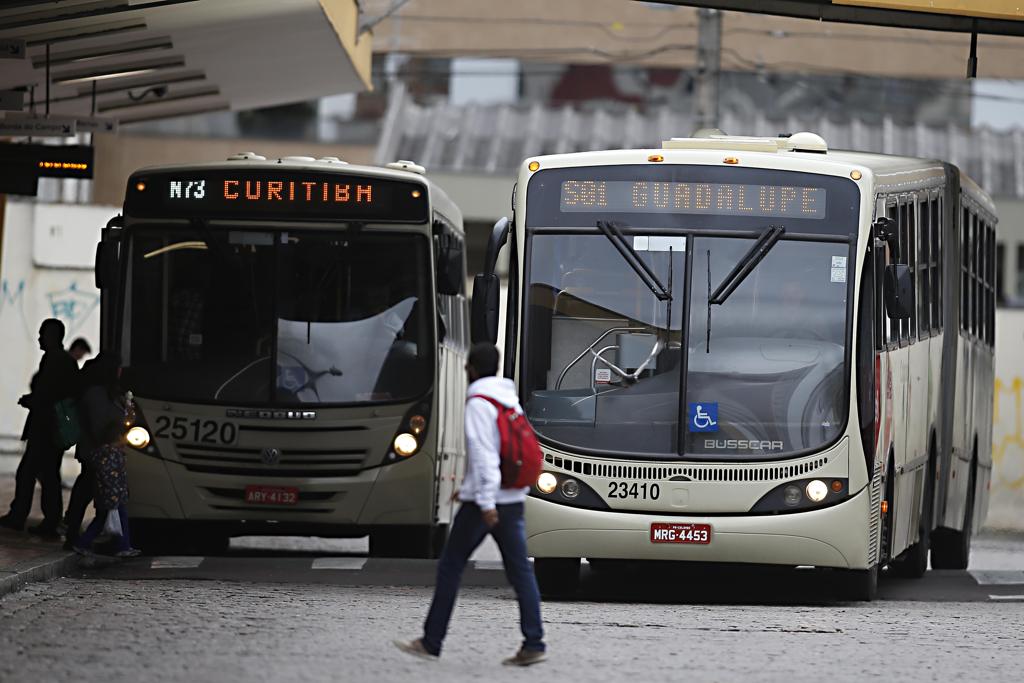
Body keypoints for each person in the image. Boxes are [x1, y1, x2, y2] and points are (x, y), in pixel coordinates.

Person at [395, 343, 547, 667]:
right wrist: (467, 488)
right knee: (521, 572)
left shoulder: (479, 402)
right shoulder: (508, 399)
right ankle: (534, 642)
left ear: (472, 368)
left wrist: (486, 502)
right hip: (511, 499)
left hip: (486, 503)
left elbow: (484, 454)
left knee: (451, 566)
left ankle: (431, 641)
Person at [0, 319, 78, 539]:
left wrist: (31, 401)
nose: (39, 338)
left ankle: (27, 517)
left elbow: (49, 395)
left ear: (52, 337)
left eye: (43, 334)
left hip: (46, 428)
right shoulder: (63, 360)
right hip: (52, 429)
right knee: (46, 474)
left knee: (31, 473)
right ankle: (47, 519)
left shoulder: (54, 360)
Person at [71, 352, 139, 558]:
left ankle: (118, 544)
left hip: (107, 454)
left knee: (110, 503)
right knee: (108, 502)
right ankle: (81, 539)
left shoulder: (111, 394)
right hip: (101, 455)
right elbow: (102, 428)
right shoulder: (97, 395)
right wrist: (119, 434)